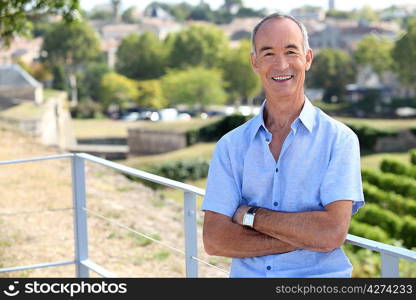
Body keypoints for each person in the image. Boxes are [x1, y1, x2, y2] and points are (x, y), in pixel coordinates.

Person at [201, 12, 364, 278]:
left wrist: (251, 216)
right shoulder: (230, 146)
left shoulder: (340, 140)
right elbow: (215, 239)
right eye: (268, 54)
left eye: (291, 51)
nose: (281, 64)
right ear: (255, 63)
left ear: (307, 58)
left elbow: (331, 233)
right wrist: (307, 235)